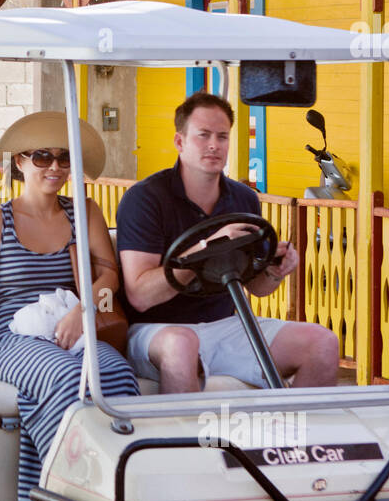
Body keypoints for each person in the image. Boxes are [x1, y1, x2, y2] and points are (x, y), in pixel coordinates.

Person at [0, 112, 139, 501]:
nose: (55, 167)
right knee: (70, 377)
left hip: (72, 322)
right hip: (12, 337)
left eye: (64, 158)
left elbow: (109, 275)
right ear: (20, 162)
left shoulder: (84, 212)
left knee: (115, 372)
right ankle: (65, 493)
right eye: (42, 157)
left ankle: (122, 489)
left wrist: (83, 309)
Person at [115, 91, 340, 393]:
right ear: (179, 142)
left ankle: (298, 437)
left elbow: (257, 288)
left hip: (224, 324)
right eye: (203, 135)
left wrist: (275, 269)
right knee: (182, 344)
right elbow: (141, 295)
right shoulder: (145, 198)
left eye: (222, 137)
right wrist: (208, 249)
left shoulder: (243, 199)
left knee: (322, 343)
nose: (213, 145)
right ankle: (180, 439)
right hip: (158, 330)